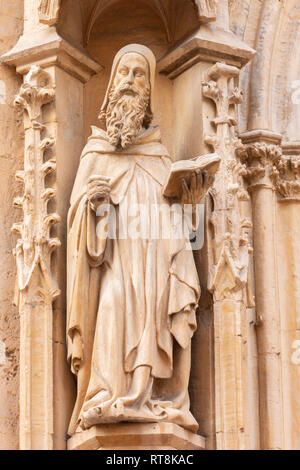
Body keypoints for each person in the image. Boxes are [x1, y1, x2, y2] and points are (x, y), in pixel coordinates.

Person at [67, 44, 210, 435]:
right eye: (124, 74)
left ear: (149, 89)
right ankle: (105, 397)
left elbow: (184, 237)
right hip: (116, 267)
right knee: (111, 311)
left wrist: (191, 206)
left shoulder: (160, 155)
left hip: (157, 273)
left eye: (139, 74)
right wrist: (93, 207)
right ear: (111, 85)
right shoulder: (94, 154)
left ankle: (152, 398)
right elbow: (77, 231)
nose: (130, 82)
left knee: (154, 320)